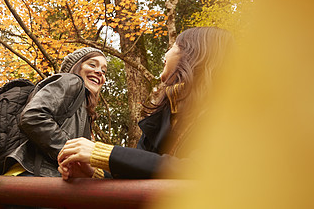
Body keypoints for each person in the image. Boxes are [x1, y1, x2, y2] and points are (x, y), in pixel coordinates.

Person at [57, 27, 234, 179]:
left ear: (194, 53)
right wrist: (94, 172)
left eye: (173, 46)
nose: (165, 54)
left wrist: (102, 153)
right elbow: (143, 170)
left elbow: (197, 169)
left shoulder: (233, 113)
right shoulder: (162, 116)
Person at [3, 47, 107, 178]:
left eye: (104, 71)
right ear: (76, 66)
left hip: (44, 178)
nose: (99, 72)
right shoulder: (72, 81)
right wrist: (71, 153)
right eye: (92, 64)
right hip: (33, 176)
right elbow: (33, 116)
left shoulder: (83, 108)